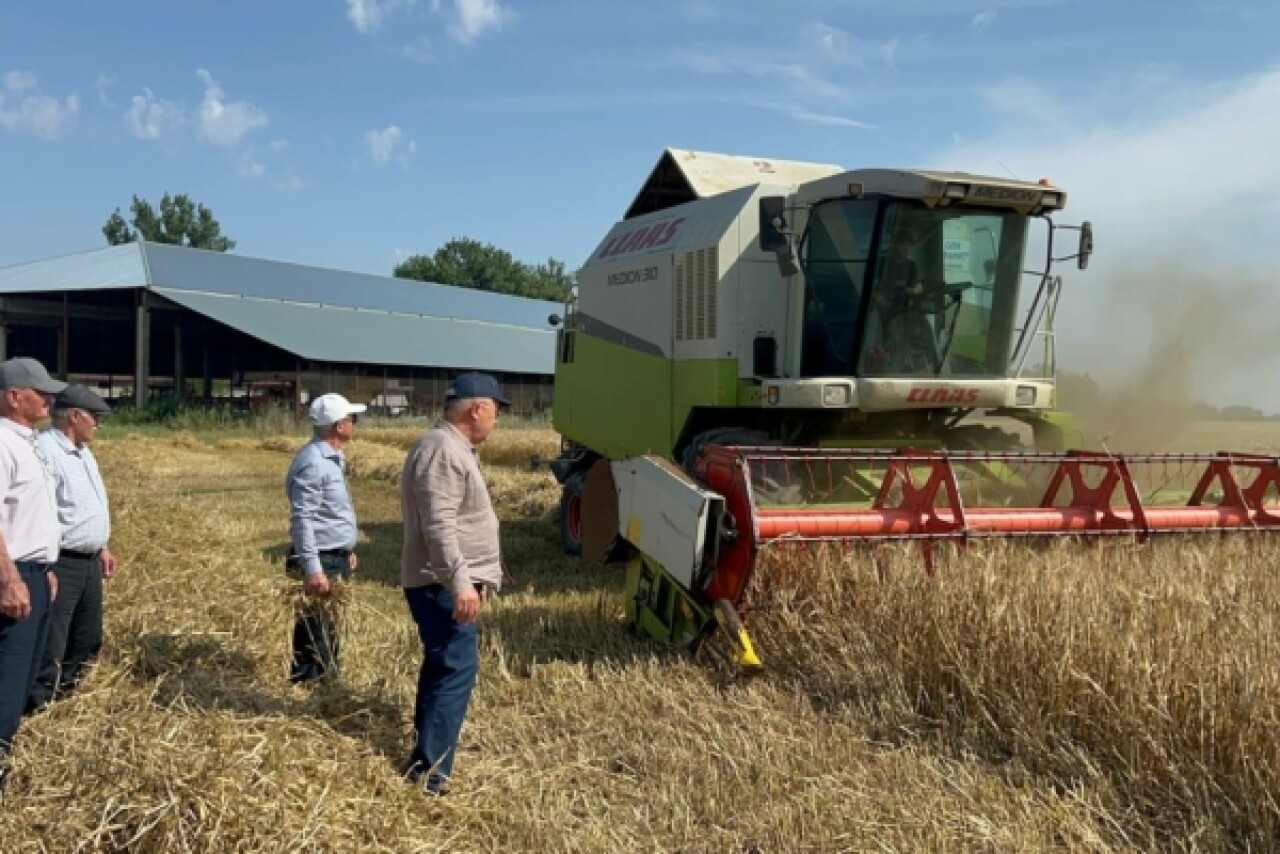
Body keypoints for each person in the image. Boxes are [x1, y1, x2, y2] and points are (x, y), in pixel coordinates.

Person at [400, 372, 509, 795]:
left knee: (443, 668)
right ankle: (431, 775)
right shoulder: (443, 450)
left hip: (445, 582)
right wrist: (462, 583)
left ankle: (426, 758)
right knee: (454, 672)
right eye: (496, 411)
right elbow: (439, 526)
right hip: (441, 586)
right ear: (477, 409)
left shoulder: (449, 447)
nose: (496, 421)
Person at [27, 385, 117, 713]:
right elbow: (43, 511)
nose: (98, 424)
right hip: (62, 562)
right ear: (75, 416)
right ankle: (39, 707)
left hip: (89, 562)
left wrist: (102, 546)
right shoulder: (46, 452)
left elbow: (82, 507)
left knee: (87, 637)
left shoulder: (83, 453)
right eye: (95, 417)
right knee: (53, 641)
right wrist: (47, 565)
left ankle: (68, 702)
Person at [0, 357, 65, 790]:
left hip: (35, 573)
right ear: (11, 397)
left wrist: (46, 566)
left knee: (22, 682)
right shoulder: (2, 443)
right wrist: (10, 578)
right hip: (14, 575)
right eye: (39, 392)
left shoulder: (28, 441)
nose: (48, 398)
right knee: (7, 683)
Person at [284, 392, 364, 685]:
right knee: (315, 634)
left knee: (326, 630)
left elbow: (327, 514)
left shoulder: (332, 458)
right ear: (338, 426)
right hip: (321, 560)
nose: (355, 423)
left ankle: (323, 687)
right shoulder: (315, 463)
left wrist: (346, 549)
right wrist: (313, 567)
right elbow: (302, 519)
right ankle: (314, 691)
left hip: (333, 555)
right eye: (351, 419)